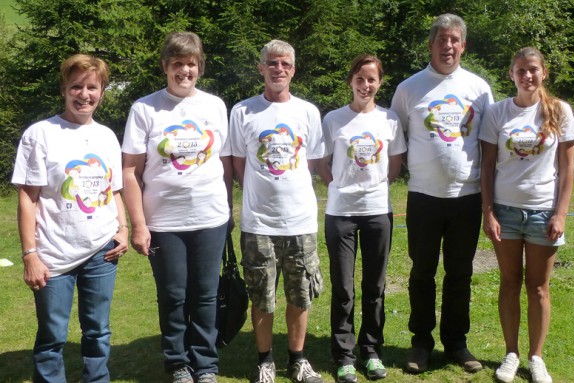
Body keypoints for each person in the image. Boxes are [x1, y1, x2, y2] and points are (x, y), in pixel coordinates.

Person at [122, 32, 232, 383]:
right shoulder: (144, 108)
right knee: (172, 296)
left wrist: (228, 210)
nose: (185, 70)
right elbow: (129, 171)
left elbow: (225, 163)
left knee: (205, 294)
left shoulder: (214, 105)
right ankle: (177, 363)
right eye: (177, 63)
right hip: (164, 222)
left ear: (200, 66)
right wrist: (138, 224)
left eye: (191, 64)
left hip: (210, 217)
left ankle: (206, 364)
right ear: (165, 66)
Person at [12, 53, 128, 382]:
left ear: (102, 92)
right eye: (76, 86)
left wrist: (122, 228)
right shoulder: (40, 134)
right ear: (64, 89)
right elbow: (27, 197)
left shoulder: (107, 136)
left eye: (92, 87)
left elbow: (114, 190)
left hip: (101, 251)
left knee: (98, 331)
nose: (84, 94)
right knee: (52, 337)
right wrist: (30, 255)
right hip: (52, 254)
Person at [390, 13, 494, 373]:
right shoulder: (409, 89)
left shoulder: (479, 89)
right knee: (421, 272)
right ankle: (420, 343)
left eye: (454, 40)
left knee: (460, 273)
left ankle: (456, 343)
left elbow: (488, 142)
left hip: (466, 198)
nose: (447, 46)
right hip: (422, 196)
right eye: (441, 39)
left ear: (463, 45)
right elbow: (395, 137)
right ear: (431, 44)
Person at [480, 47, 574, 383]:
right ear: (511, 74)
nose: (527, 76)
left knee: (538, 288)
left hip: (543, 213)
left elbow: (567, 169)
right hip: (505, 213)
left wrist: (561, 214)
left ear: (544, 73)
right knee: (509, 284)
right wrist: (489, 212)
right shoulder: (497, 112)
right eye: (520, 70)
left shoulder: (559, 111)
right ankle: (511, 353)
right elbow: (487, 166)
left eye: (533, 69)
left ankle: (536, 358)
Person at [229, 39, 325, 383]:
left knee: (300, 294)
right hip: (258, 222)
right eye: (272, 63)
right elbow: (238, 165)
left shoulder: (308, 112)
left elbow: (312, 163)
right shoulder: (243, 112)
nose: (278, 69)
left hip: (300, 220)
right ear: (261, 68)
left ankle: (298, 360)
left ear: (293, 70)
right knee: (262, 294)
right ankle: (265, 361)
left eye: (284, 64)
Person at [318, 54, 406, 383]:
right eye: (359, 78)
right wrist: (339, 187)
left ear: (379, 83)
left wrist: (374, 187)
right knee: (343, 287)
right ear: (350, 81)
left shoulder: (390, 120)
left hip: (377, 212)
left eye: (371, 79)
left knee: (375, 286)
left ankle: (370, 352)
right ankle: (343, 356)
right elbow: (322, 162)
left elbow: (395, 164)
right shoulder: (333, 120)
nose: (365, 85)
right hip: (340, 213)